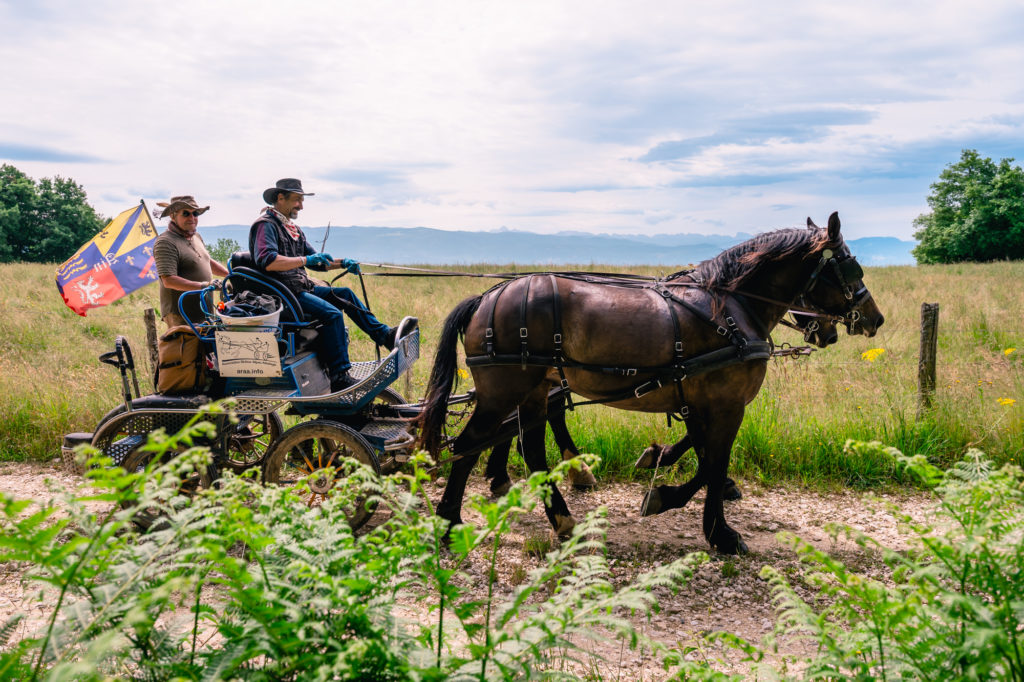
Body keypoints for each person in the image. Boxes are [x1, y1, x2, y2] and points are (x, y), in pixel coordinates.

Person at [249, 178, 415, 392]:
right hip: (282, 295)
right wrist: (305, 261)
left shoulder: (291, 228)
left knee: (344, 294)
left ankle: (385, 335)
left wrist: (342, 263)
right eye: (297, 200)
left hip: (298, 288)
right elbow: (268, 261)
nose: (301, 205)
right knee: (333, 314)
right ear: (280, 198)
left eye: (301, 200)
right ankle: (339, 376)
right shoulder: (265, 226)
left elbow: (317, 261)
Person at [153, 195, 229, 328]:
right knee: (187, 349)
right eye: (186, 213)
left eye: (195, 213)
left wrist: (230, 275)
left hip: (203, 310)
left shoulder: (195, 236)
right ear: (172, 216)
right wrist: (204, 286)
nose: (192, 218)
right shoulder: (165, 242)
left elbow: (206, 261)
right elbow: (168, 280)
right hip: (181, 315)